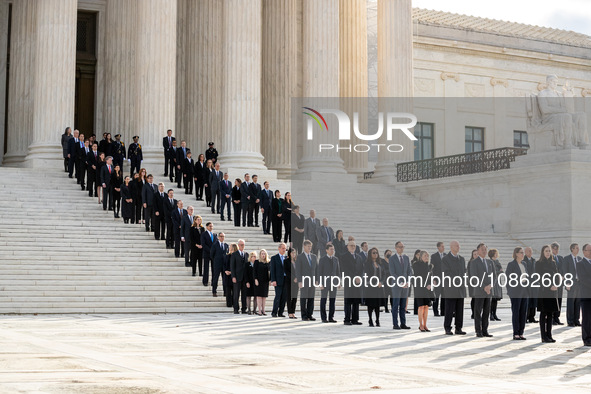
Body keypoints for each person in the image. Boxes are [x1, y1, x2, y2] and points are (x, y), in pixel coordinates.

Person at [441, 240, 467, 335]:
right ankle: (447, 327)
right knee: (449, 310)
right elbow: (446, 273)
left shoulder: (462, 259)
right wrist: (457, 281)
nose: (458, 247)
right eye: (456, 246)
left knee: (460, 310)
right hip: (451, 288)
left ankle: (458, 328)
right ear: (451, 247)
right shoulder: (445, 259)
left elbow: (464, 271)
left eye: (459, 246)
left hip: (460, 288)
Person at [536, 245, 560, 343]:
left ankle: (549, 335)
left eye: (549, 251)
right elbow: (539, 277)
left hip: (553, 291)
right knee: (543, 313)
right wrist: (549, 285)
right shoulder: (539, 263)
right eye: (546, 251)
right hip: (544, 291)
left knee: (551, 314)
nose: (548, 253)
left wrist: (556, 284)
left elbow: (556, 275)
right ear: (542, 252)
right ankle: (543, 336)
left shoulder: (553, 263)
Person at [505, 247, 530, 340]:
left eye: (523, 253)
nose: (523, 254)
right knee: (516, 312)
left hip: (524, 291)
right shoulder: (511, 264)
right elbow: (508, 279)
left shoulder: (524, 264)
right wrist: (510, 291)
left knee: (523, 312)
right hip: (515, 291)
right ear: (516, 254)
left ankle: (521, 332)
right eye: (521, 253)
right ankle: (516, 333)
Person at [470, 243, 493, 338]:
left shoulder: (490, 262)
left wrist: (490, 286)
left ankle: (485, 330)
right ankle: (478, 331)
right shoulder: (474, 262)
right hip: (480, 291)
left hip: (489, 291)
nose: (484, 251)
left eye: (485, 249)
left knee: (487, 312)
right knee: (478, 311)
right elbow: (474, 277)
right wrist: (484, 287)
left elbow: (494, 276)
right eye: (482, 249)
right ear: (478, 251)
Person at [389, 241, 412, 330]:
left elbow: (409, 271)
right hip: (396, 285)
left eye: (403, 247)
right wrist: (400, 282)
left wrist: (408, 281)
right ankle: (395, 324)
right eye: (400, 247)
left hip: (405, 286)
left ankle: (403, 323)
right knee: (395, 306)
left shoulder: (406, 258)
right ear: (396, 248)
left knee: (403, 306)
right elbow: (392, 273)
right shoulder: (392, 259)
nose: (401, 248)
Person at [341, 240, 363, 325]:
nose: (353, 247)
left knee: (356, 301)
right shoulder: (344, 257)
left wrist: (359, 277)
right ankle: (347, 319)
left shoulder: (359, 257)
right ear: (347, 247)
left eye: (354, 245)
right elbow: (345, 269)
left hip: (357, 283)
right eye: (351, 245)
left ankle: (355, 319)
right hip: (349, 281)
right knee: (348, 301)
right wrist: (354, 277)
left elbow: (361, 269)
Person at [318, 244, 341, 323]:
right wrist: (320, 283)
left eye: (333, 249)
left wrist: (338, 282)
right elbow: (319, 272)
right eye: (331, 249)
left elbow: (338, 272)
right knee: (323, 300)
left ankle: (331, 317)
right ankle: (323, 317)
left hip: (333, 283)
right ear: (326, 250)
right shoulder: (322, 259)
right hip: (325, 283)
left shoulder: (336, 259)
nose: (332, 251)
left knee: (332, 300)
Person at [296, 240, 318, 321]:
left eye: (310, 247)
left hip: (312, 281)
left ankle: (310, 314)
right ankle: (304, 315)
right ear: (304, 246)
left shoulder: (314, 257)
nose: (310, 248)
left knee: (311, 298)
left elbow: (317, 269)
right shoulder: (300, 257)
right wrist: (299, 281)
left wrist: (317, 280)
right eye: (308, 246)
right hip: (304, 281)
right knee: (304, 298)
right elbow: (298, 270)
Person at [364, 247, 386, 327]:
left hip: (379, 287)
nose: (375, 254)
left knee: (377, 305)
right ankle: (370, 319)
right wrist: (375, 282)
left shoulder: (380, 263)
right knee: (371, 304)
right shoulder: (367, 264)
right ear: (370, 254)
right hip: (371, 287)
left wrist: (381, 282)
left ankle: (377, 320)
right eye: (373, 253)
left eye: (376, 252)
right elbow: (367, 275)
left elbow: (384, 274)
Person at [414, 251, 434, 332]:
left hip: (427, 289)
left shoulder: (430, 266)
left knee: (426, 307)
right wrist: (425, 284)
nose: (426, 257)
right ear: (421, 257)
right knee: (421, 306)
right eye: (425, 256)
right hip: (419, 288)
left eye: (427, 256)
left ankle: (425, 325)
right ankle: (420, 325)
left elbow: (431, 276)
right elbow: (417, 276)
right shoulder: (416, 265)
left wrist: (430, 285)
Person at [563, 243, 582, 327]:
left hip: (579, 283)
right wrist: (567, 283)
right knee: (571, 302)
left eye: (578, 248)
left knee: (578, 302)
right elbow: (565, 271)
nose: (578, 249)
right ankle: (570, 321)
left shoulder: (579, 259)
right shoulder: (567, 259)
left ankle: (576, 320)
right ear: (572, 249)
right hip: (571, 283)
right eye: (576, 248)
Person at [270, 243, 289, 318]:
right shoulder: (274, 258)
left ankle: (281, 312)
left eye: (285, 248)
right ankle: (274, 312)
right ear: (279, 248)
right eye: (283, 248)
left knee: (284, 297)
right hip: (278, 280)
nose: (284, 250)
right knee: (278, 296)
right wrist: (273, 280)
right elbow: (272, 270)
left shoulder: (287, 258)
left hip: (286, 279)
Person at [578, 244, 591, 346]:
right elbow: (583, 279)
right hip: (586, 295)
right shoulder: (580, 264)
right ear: (584, 251)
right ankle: (586, 339)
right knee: (586, 318)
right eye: (589, 250)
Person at [231, 240, 249, 314]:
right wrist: (233, 276)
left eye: (243, 245)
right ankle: (236, 308)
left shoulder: (246, 254)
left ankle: (244, 309)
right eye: (241, 244)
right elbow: (232, 266)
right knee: (236, 294)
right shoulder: (234, 254)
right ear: (238, 245)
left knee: (244, 294)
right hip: (237, 277)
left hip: (244, 278)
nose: (242, 246)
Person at [210, 232, 229, 298]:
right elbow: (212, 255)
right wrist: (216, 261)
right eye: (221, 236)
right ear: (218, 237)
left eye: (223, 236)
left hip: (224, 265)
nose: (222, 238)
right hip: (217, 264)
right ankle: (214, 291)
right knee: (215, 278)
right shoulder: (215, 245)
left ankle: (225, 292)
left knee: (225, 279)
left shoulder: (226, 245)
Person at [431, 242, 446, 317]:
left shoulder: (446, 256)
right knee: (436, 296)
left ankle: (443, 311)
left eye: (444, 246)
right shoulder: (434, 256)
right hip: (437, 279)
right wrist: (433, 279)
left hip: (445, 279)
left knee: (444, 296)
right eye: (442, 246)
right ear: (438, 247)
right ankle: (435, 311)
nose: (443, 248)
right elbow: (432, 269)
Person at [551, 242, 565, 325]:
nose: (556, 251)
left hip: (560, 282)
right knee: (553, 300)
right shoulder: (550, 258)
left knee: (559, 300)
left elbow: (563, 268)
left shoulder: (560, 258)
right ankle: (552, 317)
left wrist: (563, 276)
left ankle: (557, 317)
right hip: (553, 282)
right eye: (554, 249)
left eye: (557, 249)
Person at [254, 249, 271, 315]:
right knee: (259, 296)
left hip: (265, 281)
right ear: (260, 255)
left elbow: (270, 272)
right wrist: (255, 279)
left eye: (264, 254)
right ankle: (259, 311)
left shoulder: (268, 262)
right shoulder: (257, 262)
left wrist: (270, 280)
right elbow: (254, 271)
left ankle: (263, 310)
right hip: (258, 280)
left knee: (264, 296)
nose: (263, 255)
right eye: (262, 254)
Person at [524, 247, 539, 323]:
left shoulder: (534, 260)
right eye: (529, 251)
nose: (530, 252)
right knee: (528, 301)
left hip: (534, 283)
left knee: (534, 301)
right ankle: (526, 316)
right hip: (527, 283)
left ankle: (532, 317)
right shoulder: (524, 260)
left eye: (531, 251)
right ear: (525, 252)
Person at [489, 248, 503, 321]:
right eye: (495, 253)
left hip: (498, 281)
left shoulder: (497, 262)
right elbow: (492, 272)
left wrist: (500, 271)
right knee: (492, 299)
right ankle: (490, 314)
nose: (496, 254)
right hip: (493, 281)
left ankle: (494, 314)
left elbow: (501, 270)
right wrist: (498, 272)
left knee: (495, 300)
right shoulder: (490, 262)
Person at [200, 222, 216, 286]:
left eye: (212, 226)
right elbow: (203, 244)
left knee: (214, 269)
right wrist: (210, 250)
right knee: (206, 268)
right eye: (210, 226)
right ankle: (205, 281)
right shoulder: (204, 234)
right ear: (206, 227)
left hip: (213, 255)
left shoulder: (214, 234)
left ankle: (213, 282)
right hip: (206, 253)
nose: (211, 227)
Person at [224, 243, 238, 307]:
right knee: (228, 290)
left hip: (235, 275)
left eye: (230, 247)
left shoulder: (237, 256)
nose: (229, 247)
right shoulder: (227, 256)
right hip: (227, 275)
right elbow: (224, 264)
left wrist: (232, 272)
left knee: (235, 291)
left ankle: (234, 303)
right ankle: (229, 303)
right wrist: (226, 270)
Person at [286, 248, 298, 319]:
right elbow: (286, 271)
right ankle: (290, 312)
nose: (294, 254)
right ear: (289, 253)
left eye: (294, 253)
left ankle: (293, 312)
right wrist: (293, 278)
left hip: (296, 282)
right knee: (289, 297)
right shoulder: (286, 261)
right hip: (289, 281)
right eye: (292, 253)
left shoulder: (297, 261)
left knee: (294, 297)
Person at [467, 249, 478, 319]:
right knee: (474, 298)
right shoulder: (471, 262)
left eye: (477, 254)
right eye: (474, 254)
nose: (476, 255)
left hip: (479, 283)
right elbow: (469, 273)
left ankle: (476, 312)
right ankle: (473, 313)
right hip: (472, 283)